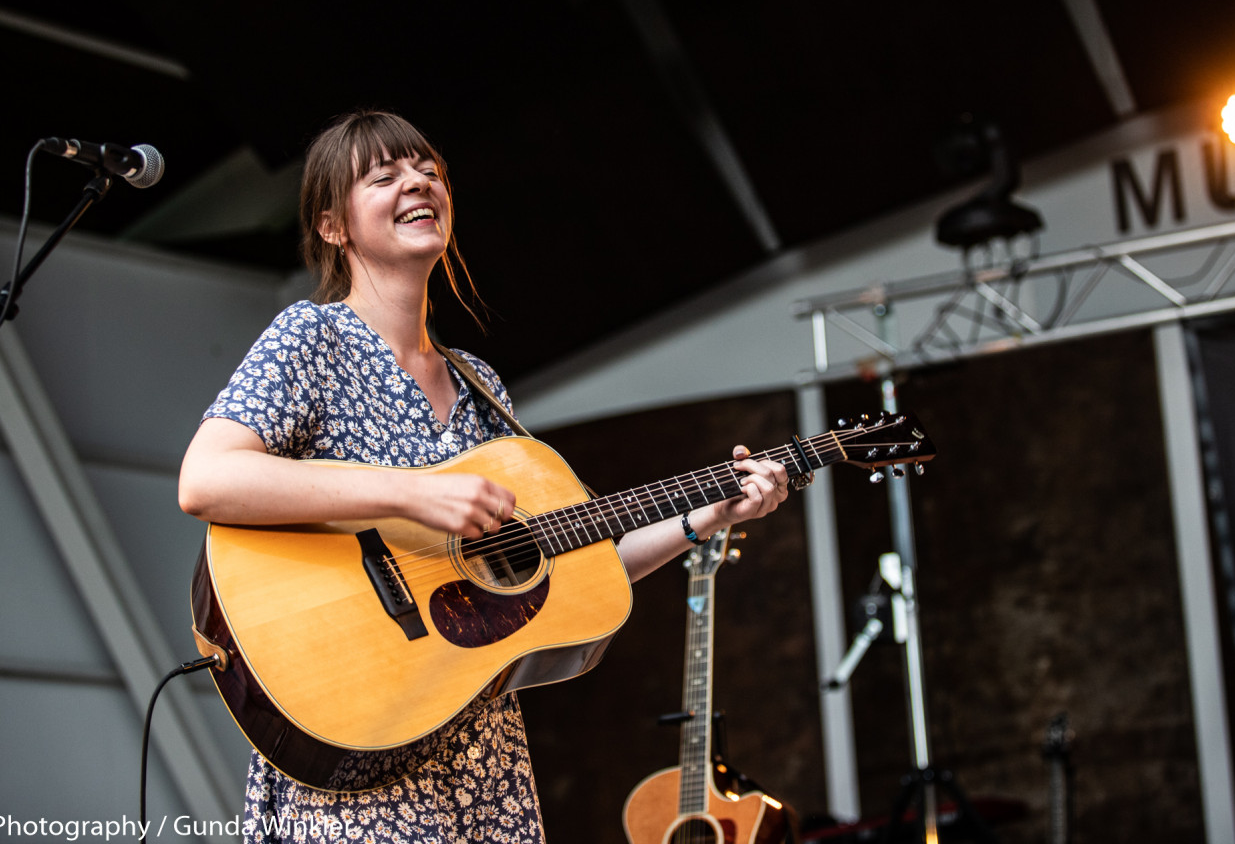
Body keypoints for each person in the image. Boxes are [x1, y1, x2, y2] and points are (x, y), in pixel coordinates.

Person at [177, 109, 790, 844]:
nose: (418, 182)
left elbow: (575, 571)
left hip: (484, 768)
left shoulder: (480, 383)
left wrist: (704, 518)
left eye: (428, 170)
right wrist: (412, 492)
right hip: (361, 748)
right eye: (386, 174)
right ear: (334, 226)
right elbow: (207, 479)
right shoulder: (312, 338)